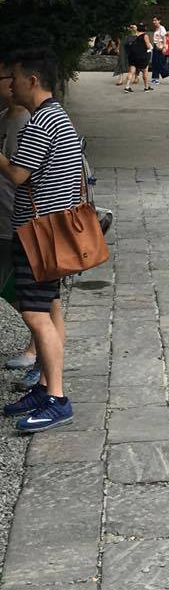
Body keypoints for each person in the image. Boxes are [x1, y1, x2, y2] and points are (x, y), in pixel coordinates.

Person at [0, 49, 84, 432]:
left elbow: (18, 175)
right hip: (52, 231)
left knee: (36, 315)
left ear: (32, 80)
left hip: (38, 233)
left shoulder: (41, 122)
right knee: (48, 311)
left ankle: (57, 399)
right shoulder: (58, 117)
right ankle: (47, 387)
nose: (11, 85)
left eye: (15, 78)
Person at [0, 59, 34, 378]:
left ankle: (37, 351)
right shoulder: (2, 119)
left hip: (21, 220)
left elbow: (19, 175)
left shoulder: (33, 124)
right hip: (2, 220)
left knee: (32, 296)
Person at [124, 24, 152, 93]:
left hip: (132, 56)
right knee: (145, 71)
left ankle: (127, 87)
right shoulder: (145, 35)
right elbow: (148, 46)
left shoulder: (133, 36)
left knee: (131, 71)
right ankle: (146, 87)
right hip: (142, 56)